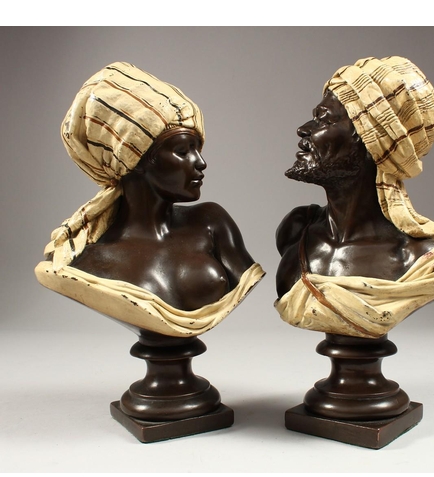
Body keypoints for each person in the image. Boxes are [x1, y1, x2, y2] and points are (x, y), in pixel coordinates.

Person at [35, 62, 265, 337]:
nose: (201, 162)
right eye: (183, 151)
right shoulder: (88, 258)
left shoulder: (212, 223)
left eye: (197, 148)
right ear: (135, 159)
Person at [275, 56, 434, 339]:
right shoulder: (297, 230)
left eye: (323, 119)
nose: (303, 130)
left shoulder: (422, 261)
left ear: (371, 140)